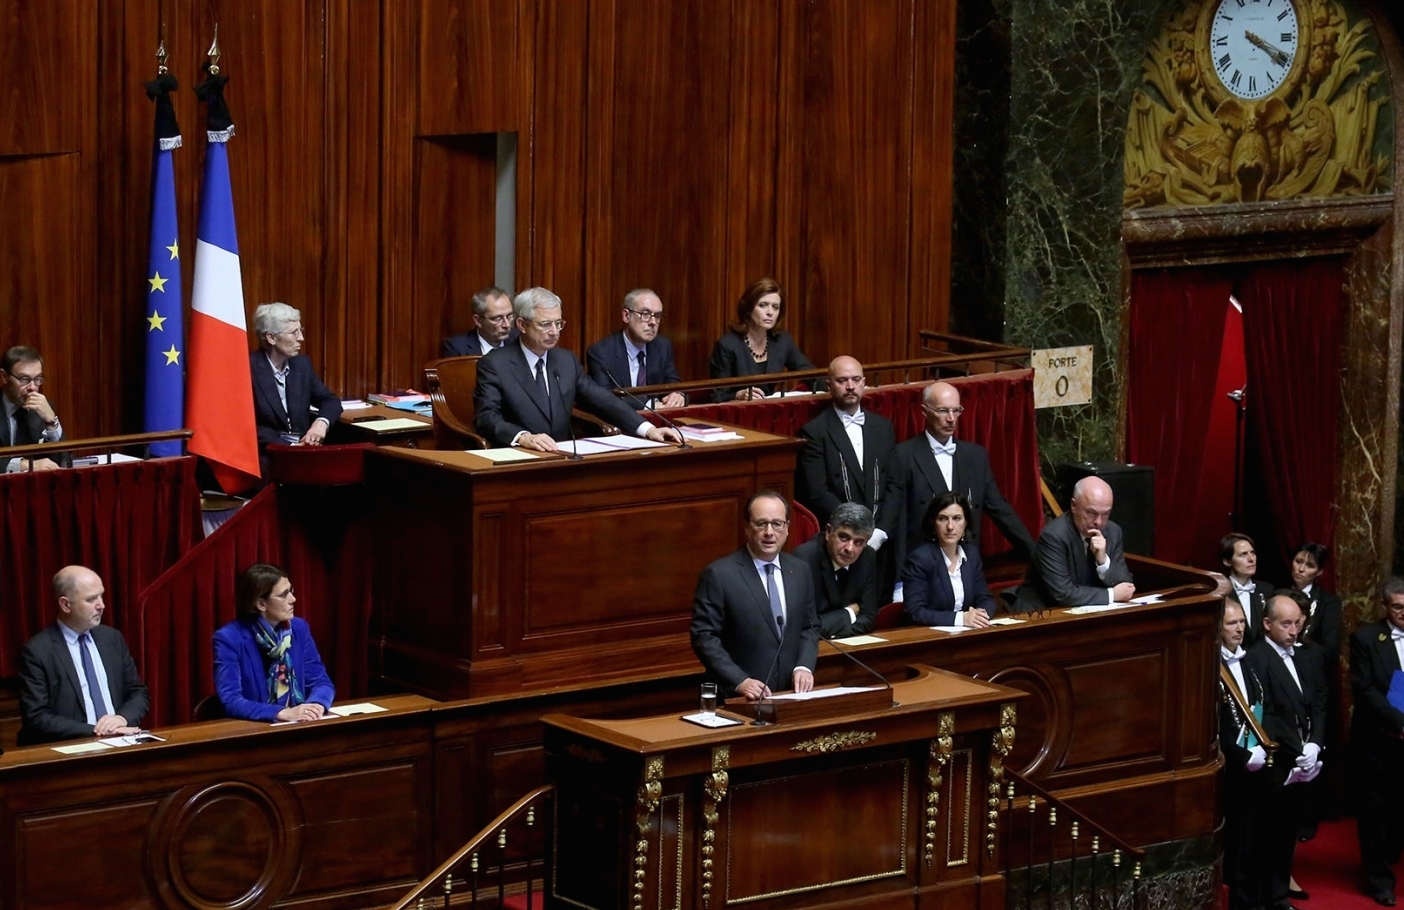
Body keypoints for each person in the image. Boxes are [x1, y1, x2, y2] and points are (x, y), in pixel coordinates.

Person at [473, 287, 683, 451]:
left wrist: (648, 429)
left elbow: (602, 400)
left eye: (559, 323)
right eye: (545, 324)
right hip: (519, 457)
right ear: (521, 324)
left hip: (562, 456)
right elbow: (486, 417)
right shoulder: (495, 364)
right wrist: (523, 437)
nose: (555, 332)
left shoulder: (566, 361)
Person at [880, 380, 1035, 592]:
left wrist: (1036, 554)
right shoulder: (904, 456)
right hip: (921, 569)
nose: (951, 419)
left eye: (956, 410)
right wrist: (899, 581)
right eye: (943, 411)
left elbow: (1000, 510)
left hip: (965, 566)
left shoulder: (975, 456)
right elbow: (897, 521)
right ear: (924, 412)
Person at [691, 491, 820, 700]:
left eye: (777, 524)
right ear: (746, 528)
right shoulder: (719, 574)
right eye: (761, 524)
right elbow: (704, 637)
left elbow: (810, 627)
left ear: (787, 528)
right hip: (739, 698)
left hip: (791, 694)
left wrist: (804, 666)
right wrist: (739, 680)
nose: (770, 532)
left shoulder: (800, 570)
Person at [1245, 593, 1328, 910]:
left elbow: (1319, 703)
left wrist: (1315, 743)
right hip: (1277, 762)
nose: (1294, 631)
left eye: (1298, 623)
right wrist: (1298, 749)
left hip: (1307, 760)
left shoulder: (1308, 655)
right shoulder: (1256, 658)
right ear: (1267, 624)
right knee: (1268, 833)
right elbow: (1266, 712)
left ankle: (1279, 895)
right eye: (1286, 624)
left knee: (1289, 831)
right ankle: (1262, 897)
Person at [17, 566, 149, 745]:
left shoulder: (112, 638)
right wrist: (99, 731)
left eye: (101, 596)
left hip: (122, 741)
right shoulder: (38, 651)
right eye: (91, 599)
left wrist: (122, 719)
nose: (101, 605)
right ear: (65, 605)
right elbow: (37, 717)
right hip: (70, 749)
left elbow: (138, 692)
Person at [214, 563, 335, 723]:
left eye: (291, 591)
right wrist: (282, 713)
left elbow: (321, 682)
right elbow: (231, 700)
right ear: (261, 604)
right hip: (256, 731)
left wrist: (315, 706)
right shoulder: (229, 638)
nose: (293, 599)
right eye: (284, 594)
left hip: (300, 725)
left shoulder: (299, 629)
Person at [793, 356, 896, 537]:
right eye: (842, 381)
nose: (850, 386)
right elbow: (817, 493)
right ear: (829, 385)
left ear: (864, 383)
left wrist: (881, 530)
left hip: (882, 535)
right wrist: (857, 529)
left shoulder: (883, 427)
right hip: (840, 535)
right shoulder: (814, 432)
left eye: (856, 380)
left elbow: (895, 484)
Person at [1350, 577, 1404, 907]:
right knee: (1374, 812)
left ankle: (1390, 853)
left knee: (1398, 809)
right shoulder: (1366, 639)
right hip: (1375, 741)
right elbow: (1365, 690)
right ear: (1385, 607)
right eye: (1398, 607)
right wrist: (1400, 722)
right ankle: (1378, 879)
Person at [1218, 597, 1270, 910]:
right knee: (1236, 841)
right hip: (1232, 769)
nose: (1238, 629)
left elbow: (1264, 706)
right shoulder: (1212, 666)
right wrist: (1241, 755)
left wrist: (1262, 748)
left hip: (1260, 762)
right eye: (1230, 624)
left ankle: (1254, 898)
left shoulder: (1252, 660)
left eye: (1241, 622)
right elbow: (1213, 723)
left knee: (1256, 839)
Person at [1015, 476, 1134, 611]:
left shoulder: (1113, 532)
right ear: (1074, 506)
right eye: (1091, 513)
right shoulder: (1054, 536)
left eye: (1105, 514)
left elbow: (1126, 585)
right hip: (1044, 613)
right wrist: (1112, 594)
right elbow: (1063, 593)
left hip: (1090, 612)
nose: (1099, 522)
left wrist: (1103, 561)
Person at [707, 277, 818, 402]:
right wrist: (738, 395)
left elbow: (810, 375)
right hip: (737, 413)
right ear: (748, 309)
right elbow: (716, 396)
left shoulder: (782, 340)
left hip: (769, 412)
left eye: (775, 307)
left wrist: (834, 389)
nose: (770, 312)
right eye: (763, 305)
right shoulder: (727, 345)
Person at [250, 303, 343, 451]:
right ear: (271, 338)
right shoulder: (249, 369)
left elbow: (330, 400)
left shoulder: (301, 365)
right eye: (294, 332)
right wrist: (290, 446)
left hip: (303, 452)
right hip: (266, 454)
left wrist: (321, 422)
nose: (301, 338)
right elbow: (248, 426)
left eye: (301, 330)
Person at [901, 492, 997, 627]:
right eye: (943, 518)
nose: (950, 526)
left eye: (957, 518)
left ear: (966, 523)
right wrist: (961, 619)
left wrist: (979, 616)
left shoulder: (971, 555)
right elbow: (915, 612)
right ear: (933, 523)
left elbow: (986, 599)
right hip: (931, 638)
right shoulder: (920, 559)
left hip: (967, 634)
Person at [586, 288, 686, 408]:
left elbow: (673, 382)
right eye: (645, 314)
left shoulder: (662, 347)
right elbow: (604, 398)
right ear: (626, 316)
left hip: (658, 422)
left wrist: (678, 394)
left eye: (657, 316)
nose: (653, 322)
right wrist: (648, 405)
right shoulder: (601, 352)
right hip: (619, 423)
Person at [793, 502, 881, 638]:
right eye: (844, 537)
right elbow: (804, 626)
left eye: (858, 542)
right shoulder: (805, 558)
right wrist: (849, 613)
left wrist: (831, 628)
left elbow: (868, 619)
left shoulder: (867, 556)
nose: (850, 548)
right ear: (828, 532)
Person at [1, 345, 64, 472]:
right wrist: (25, 465)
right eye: (24, 379)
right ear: (4, 377)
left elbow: (63, 460)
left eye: (37, 379)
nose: (33, 387)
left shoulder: (43, 409)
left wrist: (51, 423)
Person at [1221, 533, 1272, 647]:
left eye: (1252, 553)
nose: (1251, 559)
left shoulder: (1267, 590)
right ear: (1227, 561)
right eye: (1243, 554)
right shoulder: (1220, 593)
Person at [1291, 542, 1340, 658]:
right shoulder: (1276, 593)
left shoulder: (1328, 602)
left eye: (1310, 565)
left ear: (1319, 572)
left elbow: (1330, 647)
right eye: (1298, 562)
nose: (1301, 569)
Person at [442, 286, 518, 357]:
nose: (507, 325)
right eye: (498, 318)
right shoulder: (456, 347)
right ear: (478, 320)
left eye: (509, 316)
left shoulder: (520, 339)